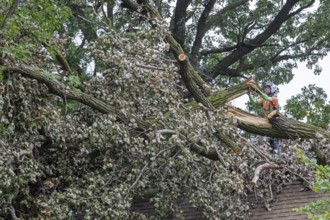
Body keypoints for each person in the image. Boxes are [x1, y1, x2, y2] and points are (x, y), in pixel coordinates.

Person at [249, 81, 282, 156]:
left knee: (275, 144)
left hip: (275, 123)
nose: (266, 89)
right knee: (264, 140)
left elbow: (266, 97)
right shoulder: (264, 99)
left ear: (272, 89)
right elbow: (255, 102)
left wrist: (257, 90)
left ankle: (279, 158)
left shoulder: (274, 98)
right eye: (266, 88)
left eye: (267, 88)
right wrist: (249, 95)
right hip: (266, 122)